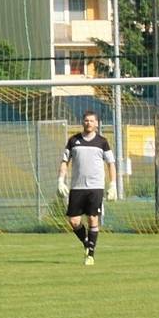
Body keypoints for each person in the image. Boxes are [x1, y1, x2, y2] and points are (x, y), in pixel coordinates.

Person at [57, 110, 117, 266]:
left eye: (91, 121)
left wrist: (113, 185)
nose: (88, 123)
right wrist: (60, 181)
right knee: (74, 221)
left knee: (92, 218)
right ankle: (86, 242)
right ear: (82, 122)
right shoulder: (73, 140)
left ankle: (90, 254)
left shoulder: (102, 142)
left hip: (95, 187)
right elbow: (65, 161)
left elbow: (111, 164)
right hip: (77, 187)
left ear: (96, 124)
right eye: (86, 120)